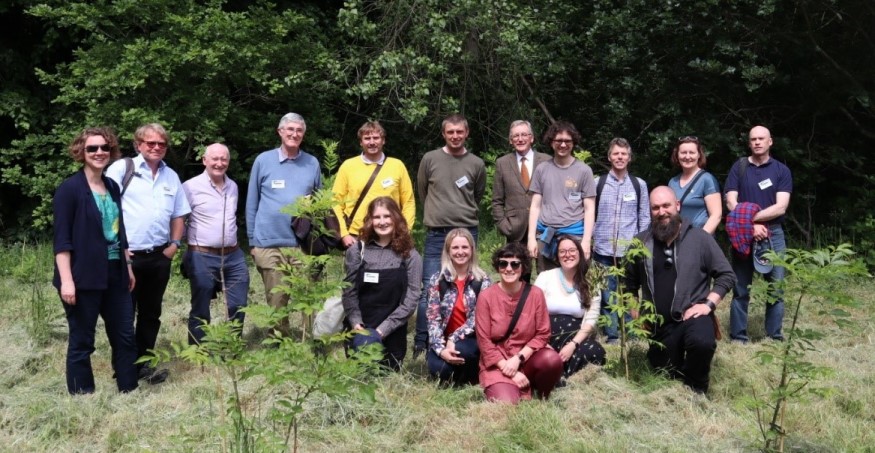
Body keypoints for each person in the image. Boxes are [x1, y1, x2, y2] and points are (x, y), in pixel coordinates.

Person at [625, 187, 736, 394]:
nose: (661, 212)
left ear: (677, 206)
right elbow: (628, 283)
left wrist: (708, 304)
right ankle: (675, 365)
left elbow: (726, 275)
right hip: (659, 325)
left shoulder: (700, 239)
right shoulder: (640, 243)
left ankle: (697, 388)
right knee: (665, 373)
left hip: (692, 317)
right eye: (655, 207)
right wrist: (635, 312)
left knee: (702, 343)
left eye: (666, 205)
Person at [53, 127, 138, 394]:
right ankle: (83, 396)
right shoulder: (69, 190)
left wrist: (128, 267)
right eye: (92, 148)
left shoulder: (112, 186)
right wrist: (67, 281)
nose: (99, 152)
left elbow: (119, 230)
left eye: (104, 148)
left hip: (116, 273)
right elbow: (62, 241)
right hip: (82, 277)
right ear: (81, 152)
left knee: (124, 336)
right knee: (82, 340)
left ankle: (129, 389)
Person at [106, 123, 190, 385]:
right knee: (123, 314)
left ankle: (144, 364)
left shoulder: (171, 176)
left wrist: (174, 245)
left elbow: (179, 214)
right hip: (127, 256)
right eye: (150, 143)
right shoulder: (122, 168)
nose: (156, 148)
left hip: (158, 257)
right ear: (138, 145)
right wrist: (119, 246)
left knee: (151, 314)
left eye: (161, 144)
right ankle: (124, 368)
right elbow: (106, 208)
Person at [414, 113, 486, 357]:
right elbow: (423, 191)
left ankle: (463, 335)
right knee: (429, 288)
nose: (455, 136)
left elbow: (477, 194)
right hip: (437, 233)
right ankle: (422, 342)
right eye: (450, 132)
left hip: (466, 231)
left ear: (466, 133)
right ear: (444, 134)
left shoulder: (476, 163)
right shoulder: (430, 159)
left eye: (459, 132)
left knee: (467, 286)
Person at [246, 113, 322, 336]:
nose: (294, 134)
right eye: (289, 129)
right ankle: (280, 340)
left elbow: (319, 204)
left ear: (303, 134)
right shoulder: (263, 160)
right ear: (280, 132)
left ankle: (312, 339)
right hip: (268, 242)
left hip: (302, 244)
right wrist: (252, 241)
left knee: (308, 294)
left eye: (299, 130)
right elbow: (252, 202)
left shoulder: (312, 163)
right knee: (276, 297)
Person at [724, 125, 792, 343]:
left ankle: (773, 336)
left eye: (761, 138)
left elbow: (781, 207)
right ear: (749, 142)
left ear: (770, 141)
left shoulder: (781, 170)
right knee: (740, 288)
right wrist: (749, 227)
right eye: (753, 139)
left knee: (776, 288)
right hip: (744, 234)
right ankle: (738, 337)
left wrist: (751, 220)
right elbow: (730, 201)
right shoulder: (739, 167)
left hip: (774, 234)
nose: (757, 142)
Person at [476, 243, 563, 404]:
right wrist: (510, 370)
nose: (509, 268)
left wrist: (518, 358)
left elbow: (543, 333)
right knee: (506, 403)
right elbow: (484, 341)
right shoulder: (486, 297)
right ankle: (510, 385)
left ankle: (541, 392)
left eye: (515, 264)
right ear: (497, 267)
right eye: (503, 263)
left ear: (523, 268)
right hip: (497, 363)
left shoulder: (535, 294)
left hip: (527, 357)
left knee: (552, 359)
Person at [342, 197, 423, 370]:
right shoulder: (357, 251)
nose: (382, 222)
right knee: (363, 371)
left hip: (392, 329)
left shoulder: (410, 255)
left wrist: (383, 330)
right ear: (370, 220)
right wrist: (356, 324)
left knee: (385, 373)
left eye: (387, 216)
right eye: (377, 217)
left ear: (396, 218)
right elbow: (349, 291)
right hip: (361, 327)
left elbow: (412, 297)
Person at [182, 143, 249, 344]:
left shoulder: (233, 186)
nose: (219, 163)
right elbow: (178, 219)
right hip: (201, 254)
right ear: (204, 160)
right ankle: (197, 349)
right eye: (215, 159)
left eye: (224, 159)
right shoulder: (190, 187)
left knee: (238, 303)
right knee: (201, 305)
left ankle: (231, 345)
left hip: (233, 254)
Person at [592, 137, 650, 344]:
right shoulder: (597, 183)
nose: (619, 157)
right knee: (607, 295)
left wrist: (640, 245)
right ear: (609, 156)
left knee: (630, 294)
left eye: (623, 154)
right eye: (616, 153)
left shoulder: (638, 185)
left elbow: (644, 216)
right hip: (602, 249)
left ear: (629, 157)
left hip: (629, 250)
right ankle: (612, 334)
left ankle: (631, 332)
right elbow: (591, 215)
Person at [332, 121, 415, 248]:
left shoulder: (397, 166)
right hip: (356, 236)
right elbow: (335, 202)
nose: (372, 142)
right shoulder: (348, 166)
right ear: (361, 142)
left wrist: (405, 231)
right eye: (367, 138)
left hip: (391, 236)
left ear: (383, 141)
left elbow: (408, 202)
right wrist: (343, 233)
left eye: (376, 138)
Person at [425, 228, 491, 385]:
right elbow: (432, 319)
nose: (460, 252)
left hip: (470, 339)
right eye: (455, 247)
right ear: (448, 251)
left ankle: (472, 375)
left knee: (464, 351)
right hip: (443, 340)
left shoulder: (483, 280)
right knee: (440, 369)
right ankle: (456, 372)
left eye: (464, 247)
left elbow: (478, 318)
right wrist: (441, 350)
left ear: (472, 250)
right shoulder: (437, 280)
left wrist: (454, 339)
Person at [527, 121, 596, 272]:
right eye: (558, 140)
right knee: (546, 284)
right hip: (546, 237)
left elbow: (589, 209)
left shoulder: (584, 171)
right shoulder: (541, 169)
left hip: (575, 237)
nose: (563, 145)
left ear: (574, 143)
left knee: (576, 285)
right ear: (551, 142)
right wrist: (531, 238)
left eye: (567, 141)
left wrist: (586, 241)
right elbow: (535, 206)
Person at [534, 235, 606, 379]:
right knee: (543, 358)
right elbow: (531, 311)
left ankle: (564, 376)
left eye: (572, 250)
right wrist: (542, 343)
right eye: (562, 251)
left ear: (580, 252)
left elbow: (591, 319)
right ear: (557, 256)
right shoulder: (545, 277)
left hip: (575, 338)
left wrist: (573, 344)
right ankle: (555, 372)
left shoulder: (591, 280)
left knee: (596, 352)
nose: (568, 255)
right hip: (546, 337)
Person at [491, 120, 551, 246]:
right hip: (515, 231)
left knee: (545, 266)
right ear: (510, 140)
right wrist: (504, 225)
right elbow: (497, 201)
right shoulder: (502, 163)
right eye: (515, 136)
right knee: (517, 265)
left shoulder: (547, 161)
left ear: (532, 138)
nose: (520, 139)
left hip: (543, 229)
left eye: (524, 135)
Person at [668, 136, 722, 234]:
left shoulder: (707, 179)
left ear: (699, 155)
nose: (687, 157)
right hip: (678, 238)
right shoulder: (673, 182)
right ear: (677, 155)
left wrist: (700, 238)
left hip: (700, 238)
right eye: (683, 152)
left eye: (692, 153)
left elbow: (716, 215)